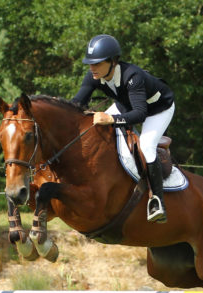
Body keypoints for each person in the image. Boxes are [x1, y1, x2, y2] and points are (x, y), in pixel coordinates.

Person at [71, 35, 175, 224]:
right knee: (98, 129)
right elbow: (77, 103)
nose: (91, 67)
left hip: (158, 109)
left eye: (97, 63)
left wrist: (111, 118)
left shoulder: (132, 76)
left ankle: (157, 201)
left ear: (112, 62)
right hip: (128, 105)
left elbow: (140, 114)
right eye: (89, 63)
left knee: (146, 145)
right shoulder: (94, 76)